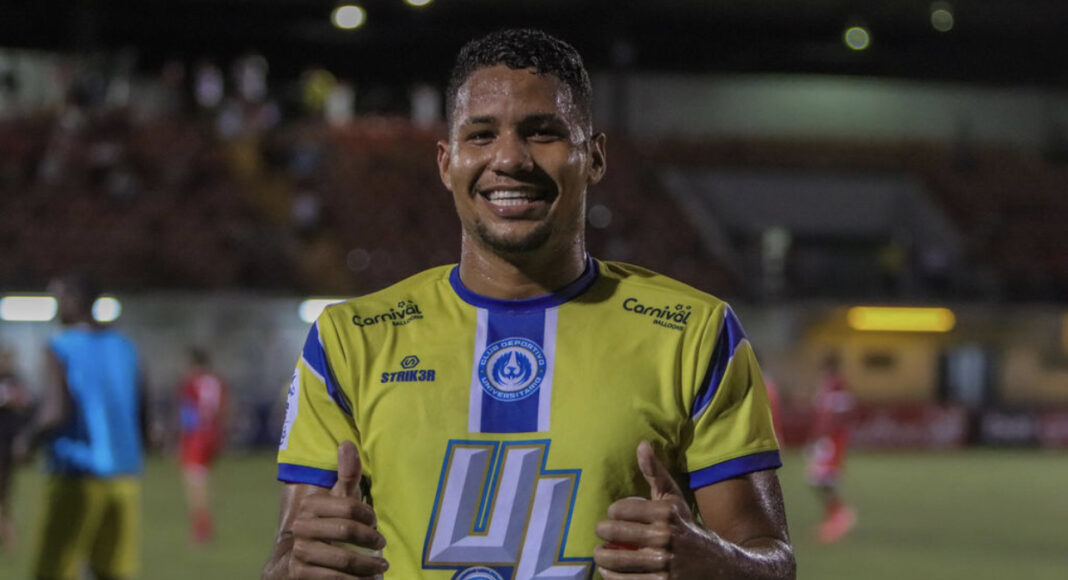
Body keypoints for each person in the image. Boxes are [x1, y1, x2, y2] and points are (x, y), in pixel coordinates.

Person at [262, 29, 794, 580]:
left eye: (543, 132)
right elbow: (286, 557)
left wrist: (711, 563)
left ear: (595, 157)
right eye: (481, 135)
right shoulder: (350, 340)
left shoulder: (694, 333)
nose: (510, 158)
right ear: (446, 162)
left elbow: (772, 561)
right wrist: (297, 566)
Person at [17, 273, 148, 580]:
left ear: (76, 301)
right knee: (112, 571)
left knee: (55, 570)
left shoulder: (61, 347)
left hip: (76, 474)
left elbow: (55, 410)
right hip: (124, 476)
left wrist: (26, 440)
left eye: (58, 299)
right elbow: (144, 407)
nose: (55, 308)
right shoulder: (125, 346)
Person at [176, 347, 229, 544]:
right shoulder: (217, 382)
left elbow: (188, 414)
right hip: (213, 435)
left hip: (196, 437)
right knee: (204, 480)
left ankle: (201, 528)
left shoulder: (191, 383)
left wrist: (181, 442)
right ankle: (204, 526)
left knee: (194, 484)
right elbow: (225, 409)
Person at [805, 352, 858, 544]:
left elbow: (835, 416)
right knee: (817, 479)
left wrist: (820, 436)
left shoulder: (837, 386)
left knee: (821, 479)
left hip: (831, 440)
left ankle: (840, 514)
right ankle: (834, 516)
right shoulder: (828, 386)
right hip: (826, 439)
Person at [0, 345, 32, 551]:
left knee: (4, 494)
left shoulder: (18, 381)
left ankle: (9, 536)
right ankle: (8, 536)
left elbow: (26, 405)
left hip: (7, 448)